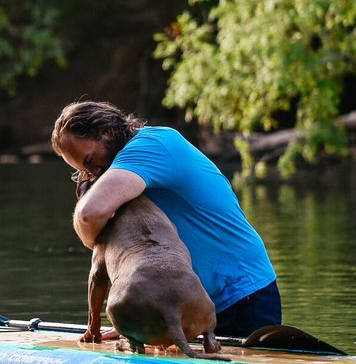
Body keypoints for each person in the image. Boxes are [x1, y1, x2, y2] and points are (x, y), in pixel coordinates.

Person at [51, 100, 281, 338]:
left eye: (90, 160)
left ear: (106, 132)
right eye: (84, 171)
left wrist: (95, 242)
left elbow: (90, 214)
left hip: (241, 298)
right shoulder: (133, 163)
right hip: (190, 303)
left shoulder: (152, 146)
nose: (95, 173)